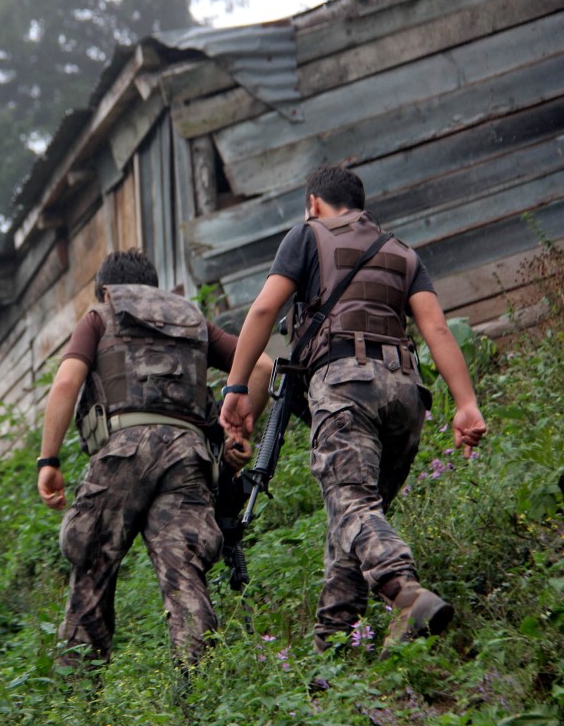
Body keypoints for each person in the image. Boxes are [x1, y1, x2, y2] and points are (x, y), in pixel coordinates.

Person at [218, 165, 487, 654]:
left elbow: (263, 310)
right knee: (354, 515)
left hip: (346, 387)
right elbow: (436, 330)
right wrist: (466, 404)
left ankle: (405, 592)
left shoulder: (307, 235)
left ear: (314, 203)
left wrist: (236, 386)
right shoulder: (403, 253)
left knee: (352, 507)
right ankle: (334, 648)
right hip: (407, 394)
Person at [37, 249, 272, 670]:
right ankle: (199, 685)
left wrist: (48, 460)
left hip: (122, 454)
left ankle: (77, 693)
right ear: (154, 287)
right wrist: (235, 434)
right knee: (184, 573)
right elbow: (262, 367)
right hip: (187, 458)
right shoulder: (193, 320)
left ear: (105, 290)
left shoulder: (99, 318)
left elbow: (67, 382)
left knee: (92, 567)